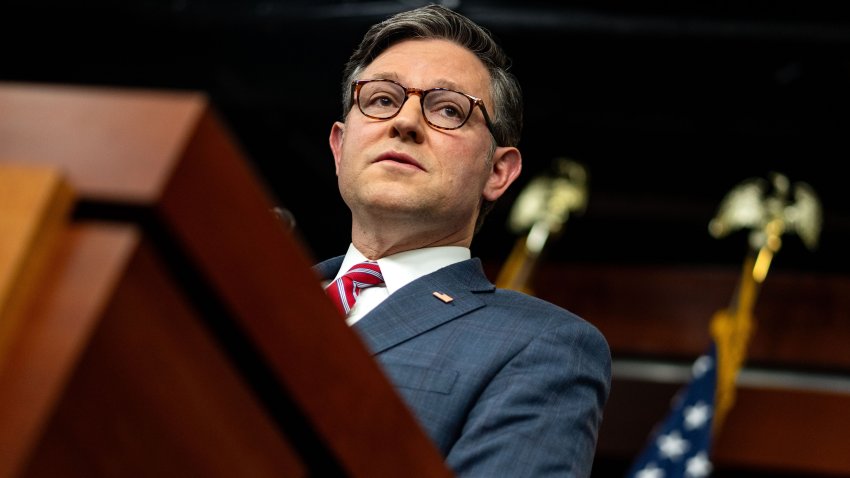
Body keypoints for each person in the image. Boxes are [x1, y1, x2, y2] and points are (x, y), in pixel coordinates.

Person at [313, 4, 611, 477]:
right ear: (339, 146)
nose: (404, 122)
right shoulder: (255, 294)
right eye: (383, 99)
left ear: (498, 172)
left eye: (448, 109)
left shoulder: (544, 346)